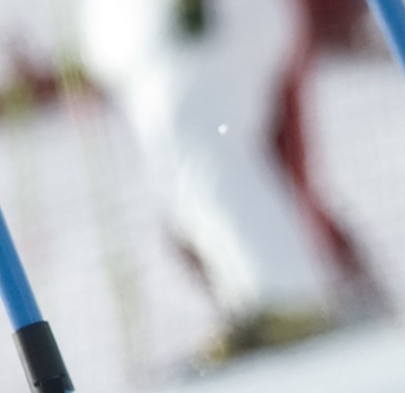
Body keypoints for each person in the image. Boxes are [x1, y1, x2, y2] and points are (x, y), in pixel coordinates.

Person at [80, 0, 379, 365]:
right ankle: (261, 303)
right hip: (156, 35)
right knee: (182, 167)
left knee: (205, 145)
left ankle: (290, 300)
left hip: (199, 23)